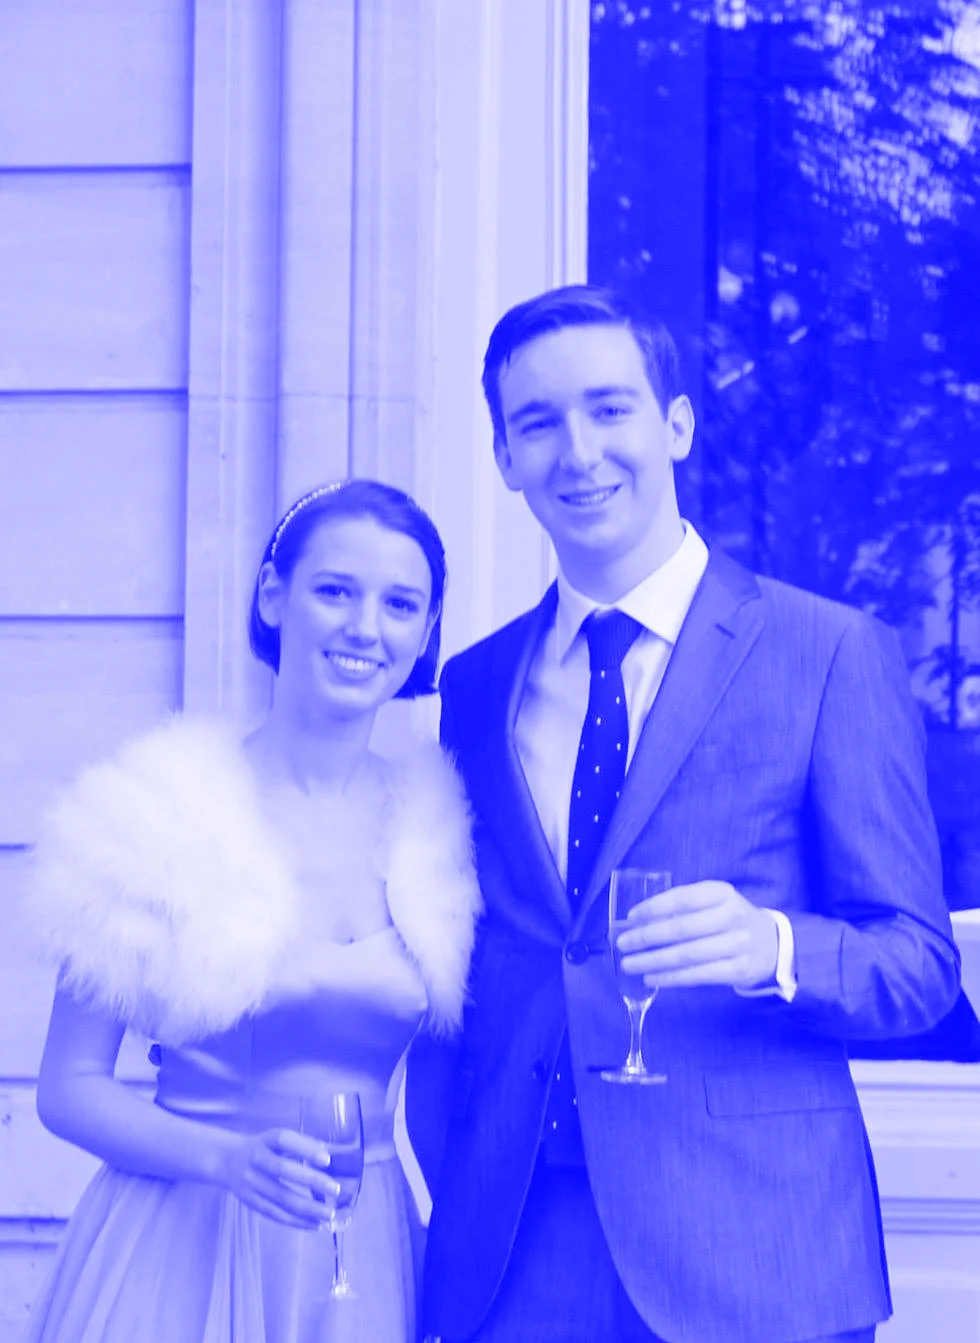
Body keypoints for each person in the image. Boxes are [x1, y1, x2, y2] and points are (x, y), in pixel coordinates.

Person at [406, 285, 961, 1343]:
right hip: (516, 1250)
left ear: (674, 423)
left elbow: (917, 965)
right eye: (538, 422)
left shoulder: (828, 650)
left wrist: (774, 944)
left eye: (609, 409)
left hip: (755, 1246)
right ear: (503, 456)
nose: (578, 451)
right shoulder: (472, 688)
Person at [22, 479, 481, 1343]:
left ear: (424, 633)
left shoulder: (446, 835)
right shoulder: (152, 816)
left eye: (400, 603)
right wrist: (225, 1159)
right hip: (178, 1241)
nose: (364, 628)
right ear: (275, 596)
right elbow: (67, 1088)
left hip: (364, 1251)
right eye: (334, 590)